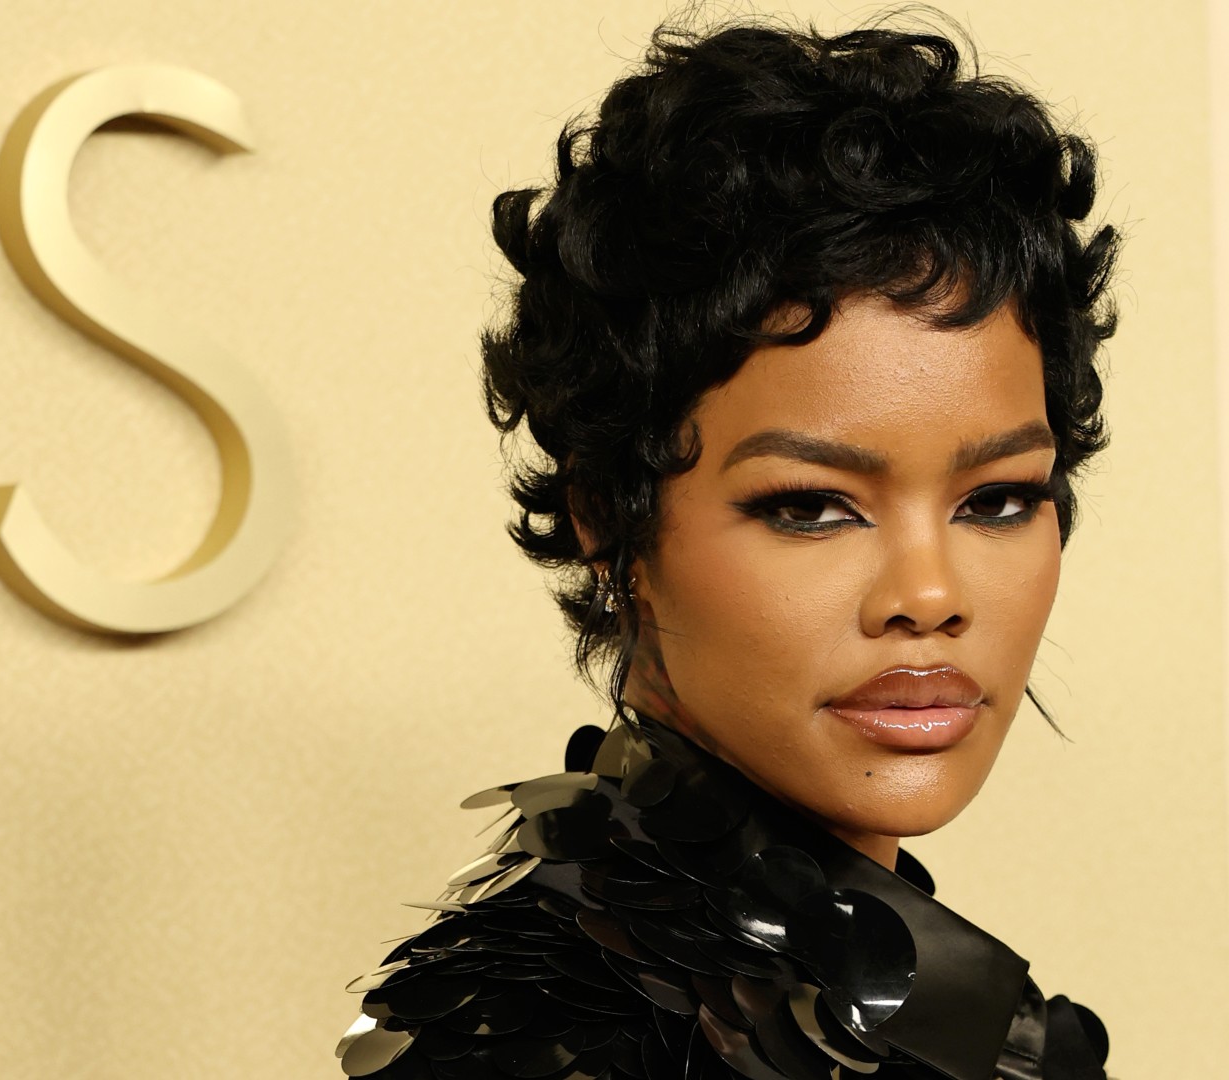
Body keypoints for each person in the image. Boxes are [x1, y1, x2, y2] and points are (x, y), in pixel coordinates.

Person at [338, 13, 1119, 1080]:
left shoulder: (927, 1006)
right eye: (809, 506)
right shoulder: (546, 1041)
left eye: (996, 501)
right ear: (610, 516)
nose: (930, 595)